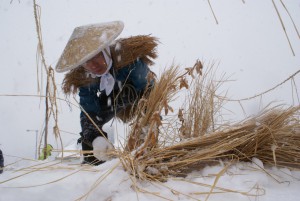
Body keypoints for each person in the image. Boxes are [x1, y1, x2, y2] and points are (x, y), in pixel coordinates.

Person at [55, 21, 158, 165]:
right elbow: (88, 111)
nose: (92, 65)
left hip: (136, 95)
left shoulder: (131, 62)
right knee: (90, 127)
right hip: (110, 101)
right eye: (86, 61)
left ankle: (146, 153)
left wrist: (145, 129)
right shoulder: (85, 76)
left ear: (105, 49)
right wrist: (94, 138)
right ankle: (92, 159)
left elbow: (150, 93)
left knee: (146, 129)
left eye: (95, 56)